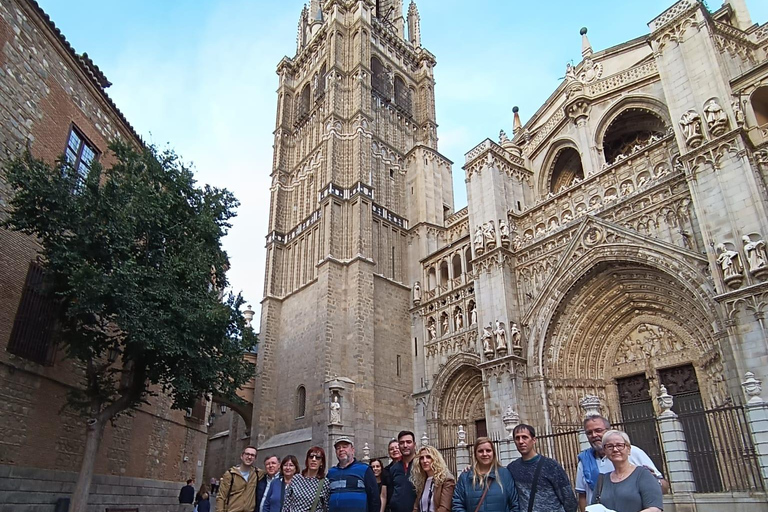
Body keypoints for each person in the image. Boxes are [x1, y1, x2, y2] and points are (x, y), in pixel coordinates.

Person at [576, 417, 666, 512]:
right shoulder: (594, 472)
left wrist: (654, 482)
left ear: (628, 449)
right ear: (606, 450)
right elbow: (583, 496)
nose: (594, 435)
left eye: (598, 430)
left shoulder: (640, 468)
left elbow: (655, 506)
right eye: (589, 433)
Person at [506, 424, 576, 512]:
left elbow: (568, 498)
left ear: (534, 440)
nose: (521, 441)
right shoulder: (512, 468)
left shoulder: (551, 466)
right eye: (517, 438)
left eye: (525, 437)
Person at [452, 437, 519, 512]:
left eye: (488, 450)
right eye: (480, 451)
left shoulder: (504, 474)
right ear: (475, 454)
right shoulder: (465, 477)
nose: (485, 454)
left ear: (493, 453)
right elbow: (457, 504)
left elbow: (514, 504)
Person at [328, 436, 380, 512]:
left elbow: (374, 498)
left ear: (352, 450)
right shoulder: (331, 473)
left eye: (344, 447)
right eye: (338, 448)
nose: (341, 450)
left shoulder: (364, 469)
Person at [217, 446, 266, 512]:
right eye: (247, 454)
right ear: (242, 456)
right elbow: (221, 497)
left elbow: (272, 472)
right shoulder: (230, 474)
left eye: (252, 455)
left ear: (255, 459)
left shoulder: (257, 474)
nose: (249, 457)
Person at [409, 445, 455, 512]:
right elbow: (416, 507)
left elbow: (444, 508)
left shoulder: (447, 480)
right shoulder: (421, 482)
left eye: (428, 457)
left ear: (435, 459)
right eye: (422, 458)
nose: (424, 461)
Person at [285, 447, 330, 512]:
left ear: (321, 463)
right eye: (311, 457)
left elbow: (326, 507)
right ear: (307, 460)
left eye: (318, 458)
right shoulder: (296, 479)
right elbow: (287, 503)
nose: (314, 460)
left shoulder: (324, 483)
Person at [389, 431, 417, 512]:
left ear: (414, 444)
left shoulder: (421, 465)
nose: (405, 445)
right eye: (401, 443)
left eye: (408, 442)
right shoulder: (393, 469)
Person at [384, 439, 402, 512]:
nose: (394, 450)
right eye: (391, 449)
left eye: (397, 448)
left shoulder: (409, 467)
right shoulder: (385, 470)